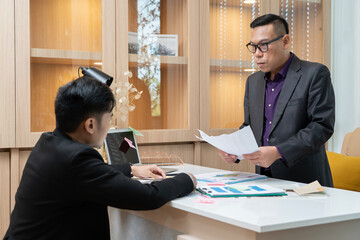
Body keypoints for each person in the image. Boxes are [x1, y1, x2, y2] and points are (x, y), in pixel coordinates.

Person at [4, 76, 197, 240]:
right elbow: (147, 197)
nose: (110, 125)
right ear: (90, 125)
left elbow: (86, 176)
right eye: (109, 118)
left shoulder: (50, 142)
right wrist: (187, 179)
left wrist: (131, 169)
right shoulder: (78, 159)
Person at [218, 14, 335, 187]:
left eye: (263, 45)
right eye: (254, 46)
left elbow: (321, 126)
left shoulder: (315, 74)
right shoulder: (253, 82)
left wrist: (279, 152)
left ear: (285, 41)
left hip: (305, 183)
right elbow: (249, 127)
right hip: (263, 181)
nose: (257, 54)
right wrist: (233, 148)